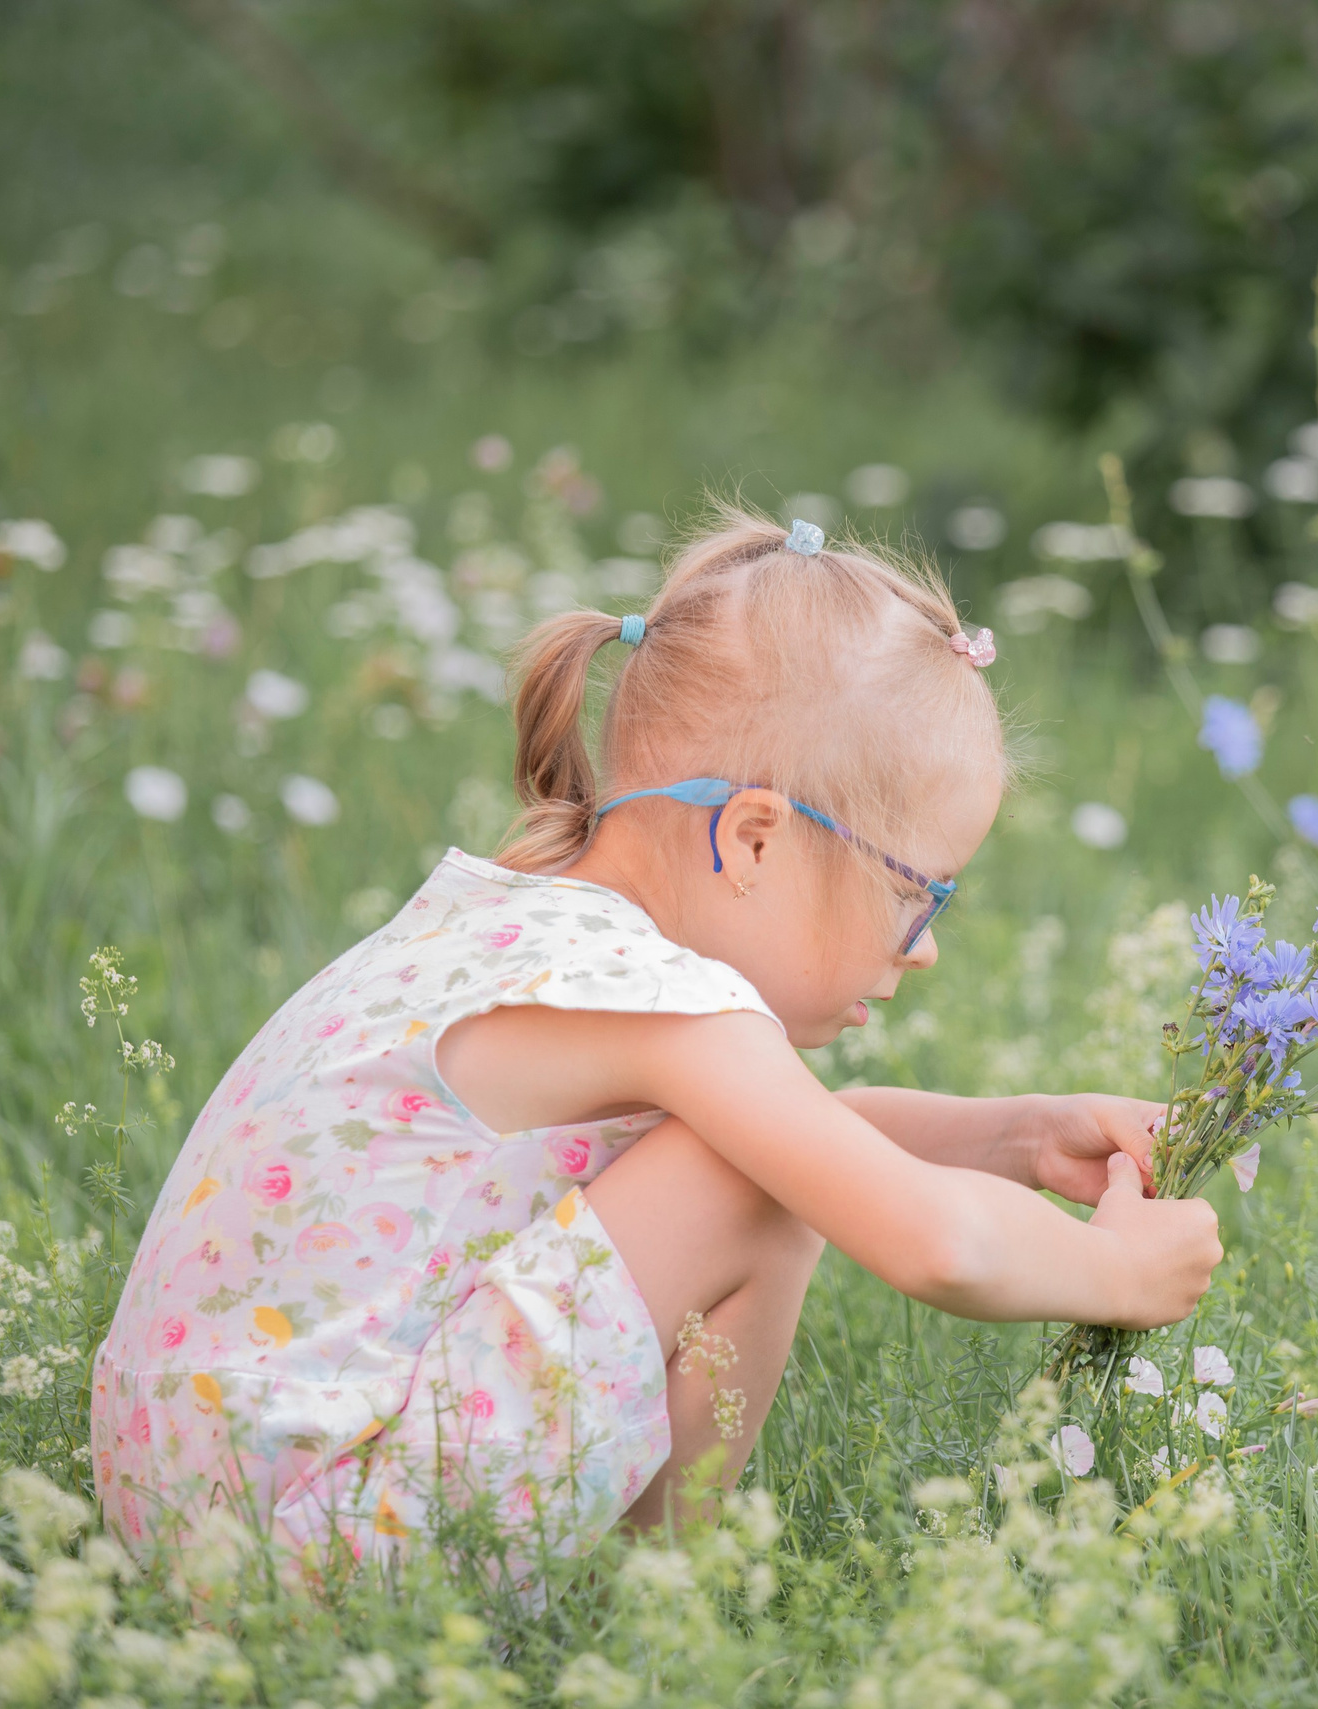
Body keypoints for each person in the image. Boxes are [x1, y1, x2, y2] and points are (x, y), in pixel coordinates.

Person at [90, 508, 1222, 1594]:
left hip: (202, 1509)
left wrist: (1022, 1135)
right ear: (755, 838)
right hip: (317, 1547)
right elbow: (930, 1240)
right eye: (918, 895)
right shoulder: (662, 1000)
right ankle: (640, 1609)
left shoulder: (522, 925)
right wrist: (1121, 1274)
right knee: (763, 1182)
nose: (921, 948)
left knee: (763, 1161)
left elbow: (809, 1133)